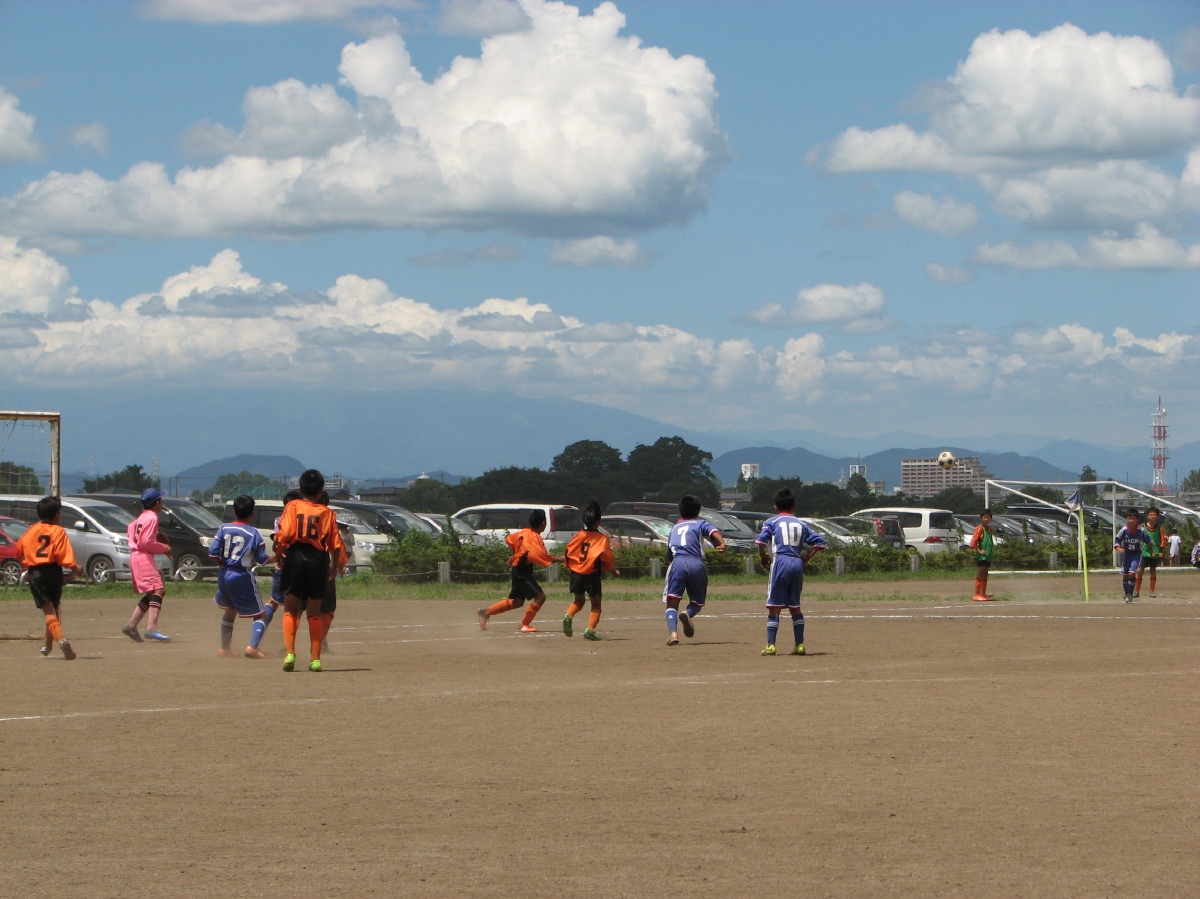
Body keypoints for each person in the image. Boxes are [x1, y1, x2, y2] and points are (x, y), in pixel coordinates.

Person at [273, 470, 347, 672]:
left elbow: (283, 534)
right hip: (318, 559)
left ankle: (290, 654)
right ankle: (315, 659)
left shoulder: (293, 506)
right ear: (321, 490)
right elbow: (335, 545)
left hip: (296, 556)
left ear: (300, 489)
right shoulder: (327, 513)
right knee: (315, 611)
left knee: (291, 608)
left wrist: (278, 555)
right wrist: (334, 566)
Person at [755, 488, 824, 656]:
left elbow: (761, 541)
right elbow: (820, 543)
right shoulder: (802, 524)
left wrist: (763, 557)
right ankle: (799, 645)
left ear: (775, 507)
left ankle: (771, 645)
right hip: (797, 563)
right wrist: (807, 557)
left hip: (780, 561)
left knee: (774, 606)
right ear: (794, 507)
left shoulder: (772, 522)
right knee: (795, 606)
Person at [15, 495, 84, 660]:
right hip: (53, 572)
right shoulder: (58, 531)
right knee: (54, 608)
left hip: (36, 573)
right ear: (57, 515)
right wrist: (75, 568)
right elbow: (63, 555)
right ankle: (48, 644)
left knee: (48, 611)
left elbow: (18, 551)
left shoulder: (31, 530)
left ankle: (59, 640)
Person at [477, 509, 564, 632]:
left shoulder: (524, 532)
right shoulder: (535, 537)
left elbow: (511, 541)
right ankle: (524, 624)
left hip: (518, 570)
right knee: (540, 597)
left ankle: (485, 612)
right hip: (523, 572)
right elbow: (540, 556)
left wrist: (514, 556)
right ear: (543, 523)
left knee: (518, 601)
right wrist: (562, 559)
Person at [210, 494, 274, 658]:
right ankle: (252, 647)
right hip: (241, 575)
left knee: (230, 610)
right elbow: (262, 559)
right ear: (251, 513)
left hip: (224, 574)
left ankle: (225, 648)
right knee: (260, 615)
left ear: (234, 511)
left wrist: (221, 564)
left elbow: (212, 552)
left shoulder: (223, 528)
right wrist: (277, 557)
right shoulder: (254, 533)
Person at [663, 495, 726, 646]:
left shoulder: (674, 528)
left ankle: (673, 633)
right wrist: (722, 543)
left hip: (678, 563)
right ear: (698, 511)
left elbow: (669, 555)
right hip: (696, 563)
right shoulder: (701, 523)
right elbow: (713, 532)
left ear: (680, 511)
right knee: (697, 602)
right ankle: (687, 613)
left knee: (672, 602)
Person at [561, 500, 618, 641]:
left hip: (576, 574)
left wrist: (568, 566)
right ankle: (590, 629)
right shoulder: (602, 538)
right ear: (599, 521)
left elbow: (568, 552)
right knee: (596, 605)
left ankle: (568, 615)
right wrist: (612, 570)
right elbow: (607, 557)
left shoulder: (578, 535)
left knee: (579, 601)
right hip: (592, 574)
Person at [122, 487, 173, 642]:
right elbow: (147, 542)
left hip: (135, 556)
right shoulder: (152, 517)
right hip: (143, 557)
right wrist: (164, 548)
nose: (162, 503)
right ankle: (151, 628)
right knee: (159, 589)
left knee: (152, 592)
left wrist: (156, 536)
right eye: (160, 500)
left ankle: (131, 625)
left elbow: (131, 530)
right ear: (156, 503)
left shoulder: (141, 517)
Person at [1114, 509, 1149, 603]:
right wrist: (1118, 548)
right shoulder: (1123, 530)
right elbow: (1117, 540)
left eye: (1133, 519)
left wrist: (1153, 552)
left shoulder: (1142, 531)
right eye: (1129, 518)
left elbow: (1148, 541)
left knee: (1132, 573)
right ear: (1126, 519)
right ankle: (1127, 593)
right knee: (1125, 576)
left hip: (1136, 555)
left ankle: (1130, 594)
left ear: (1137, 519)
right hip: (1126, 555)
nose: (1131, 521)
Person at [1135, 507, 1166, 597]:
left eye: (1154, 515)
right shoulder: (1142, 527)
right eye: (1151, 515)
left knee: (1153, 570)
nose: (1152, 516)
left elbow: (1163, 540)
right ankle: (1136, 591)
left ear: (1158, 516)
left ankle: (1152, 591)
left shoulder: (1160, 528)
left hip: (1154, 553)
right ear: (1147, 516)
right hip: (1144, 552)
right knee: (1140, 570)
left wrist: (1161, 552)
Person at [969, 508, 996, 602]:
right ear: (981, 518)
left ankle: (983, 594)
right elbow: (973, 543)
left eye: (988, 517)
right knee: (981, 573)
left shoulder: (989, 529)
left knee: (985, 574)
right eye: (984, 517)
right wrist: (979, 550)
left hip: (988, 556)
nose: (986, 519)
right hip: (981, 556)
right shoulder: (979, 529)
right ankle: (977, 594)